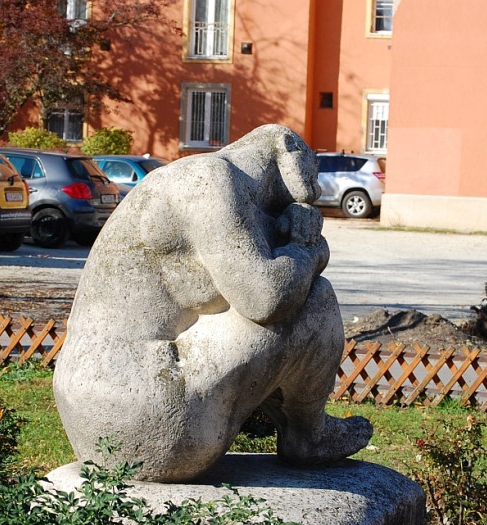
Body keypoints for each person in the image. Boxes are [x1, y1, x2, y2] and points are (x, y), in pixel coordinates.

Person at [54, 124, 372, 482]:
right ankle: (308, 436)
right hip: (149, 409)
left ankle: (303, 432)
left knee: (296, 284)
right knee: (315, 300)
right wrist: (306, 248)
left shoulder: (197, 187)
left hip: (98, 422)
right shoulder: (207, 179)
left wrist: (297, 242)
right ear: (288, 148)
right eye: (313, 168)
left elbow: (229, 285)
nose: (314, 191)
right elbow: (265, 298)